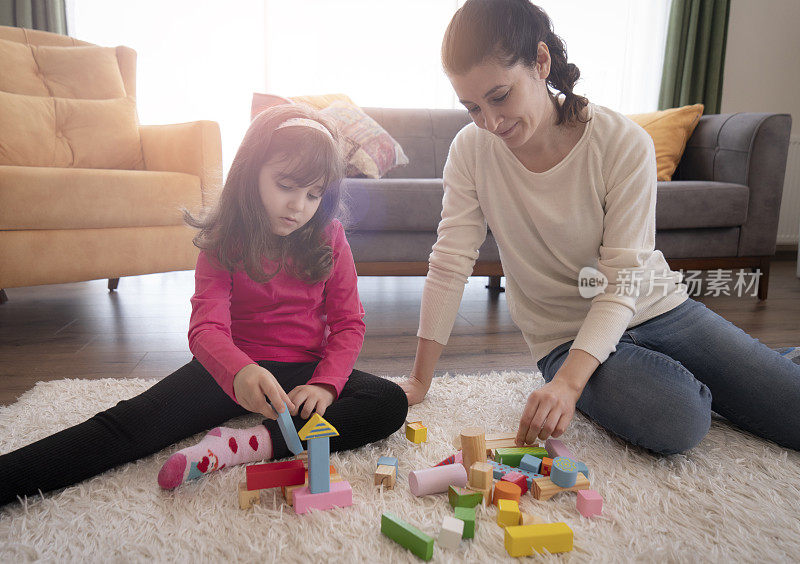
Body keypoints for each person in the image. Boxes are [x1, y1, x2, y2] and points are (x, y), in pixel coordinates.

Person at [400, 0, 800, 454]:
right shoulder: (471, 151)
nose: (490, 122)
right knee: (679, 419)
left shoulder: (622, 142)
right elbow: (451, 261)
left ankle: (769, 369)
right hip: (563, 336)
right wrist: (418, 378)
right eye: (472, 107)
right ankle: (747, 375)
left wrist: (570, 388)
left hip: (654, 307)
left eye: (499, 96)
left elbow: (624, 281)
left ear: (541, 61)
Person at [0, 105, 408, 506]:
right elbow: (205, 328)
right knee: (129, 425)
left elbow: (349, 323)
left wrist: (325, 383)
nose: (298, 206)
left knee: (388, 401)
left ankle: (248, 444)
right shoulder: (224, 238)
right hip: (232, 368)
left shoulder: (330, 237)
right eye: (286, 186)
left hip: (304, 371)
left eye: (313, 194)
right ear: (251, 174)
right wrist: (241, 371)